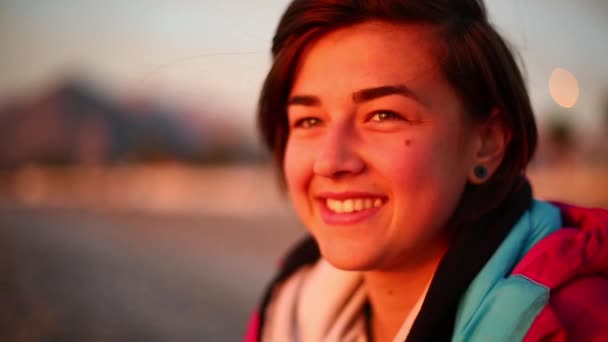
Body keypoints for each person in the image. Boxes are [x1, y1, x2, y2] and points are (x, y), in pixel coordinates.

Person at [245, 0, 608, 341]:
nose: (329, 161)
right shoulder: (287, 310)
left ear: (487, 143)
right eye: (308, 120)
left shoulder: (576, 321)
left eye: (384, 115)